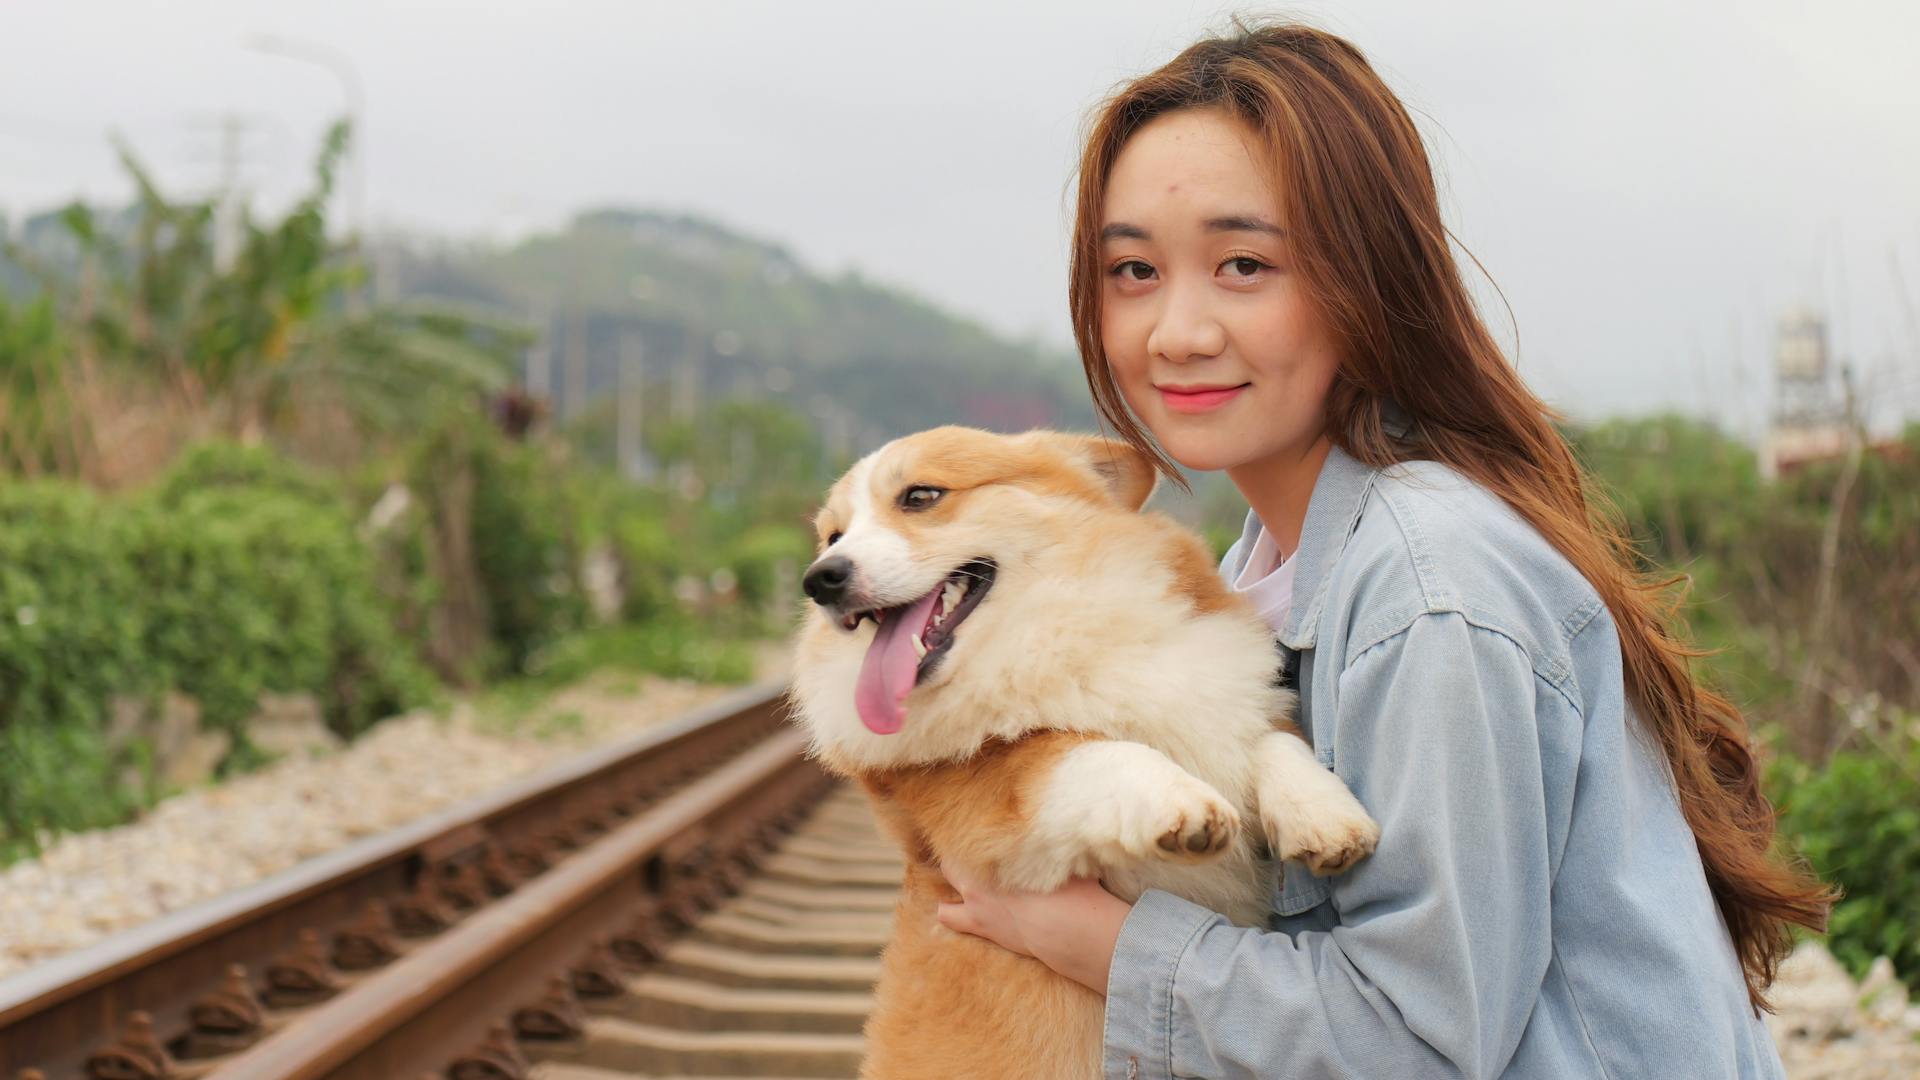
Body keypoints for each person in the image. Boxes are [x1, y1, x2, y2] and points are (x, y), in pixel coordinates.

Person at [932, 19, 1832, 1079]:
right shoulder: (1268, 561)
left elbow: (1424, 1041)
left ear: (1367, 278)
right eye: (1132, 270)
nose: (1175, 329)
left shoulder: (1428, 587)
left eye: (1243, 264)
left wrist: (1103, 945)